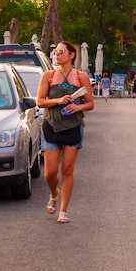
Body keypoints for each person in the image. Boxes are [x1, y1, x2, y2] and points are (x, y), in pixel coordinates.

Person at [37, 41, 94, 224]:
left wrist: (78, 108)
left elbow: (90, 103)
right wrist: (58, 100)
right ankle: (54, 193)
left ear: (71, 55)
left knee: (67, 170)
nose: (56, 54)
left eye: (60, 52)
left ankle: (63, 210)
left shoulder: (81, 77)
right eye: (55, 52)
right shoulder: (49, 76)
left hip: (73, 127)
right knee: (50, 173)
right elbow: (40, 101)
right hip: (52, 126)